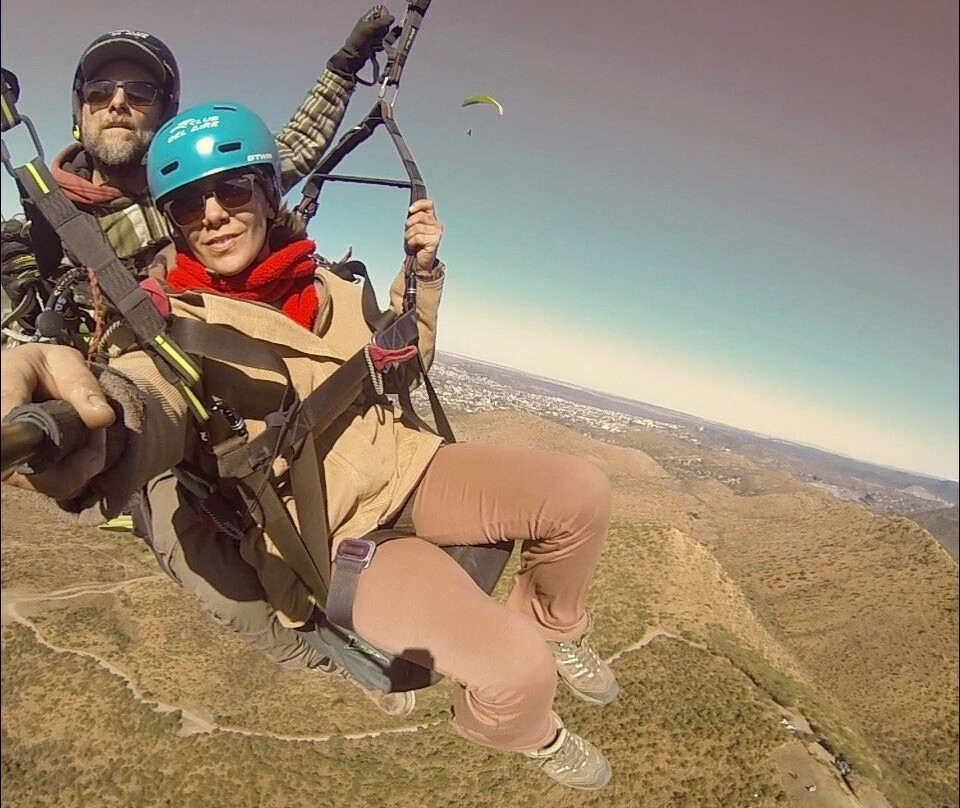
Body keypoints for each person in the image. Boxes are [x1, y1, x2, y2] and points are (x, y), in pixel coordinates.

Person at [1, 100, 620, 790]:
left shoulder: (328, 284)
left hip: (408, 464)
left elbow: (401, 366)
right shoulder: (169, 328)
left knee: (580, 493)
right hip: (337, 535)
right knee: (517, 673)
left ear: (268, 193)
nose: (213, 215)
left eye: (233, 190)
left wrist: (422, 277)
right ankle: (532, 734)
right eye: (187, 206)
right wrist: (78, 424)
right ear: (172, 222)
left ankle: (556, 626)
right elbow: (146, 399)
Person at [0, 13, 421, 712]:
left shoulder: (195, 184)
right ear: (79, 109)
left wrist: (344, 68)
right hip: (149, 401)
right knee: (203, 567)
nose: (118, 103)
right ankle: (320, 655)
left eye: (139, 92)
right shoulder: (39, 226)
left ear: (164, 112)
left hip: (236, 367)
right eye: (101, 90)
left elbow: (291, 147)